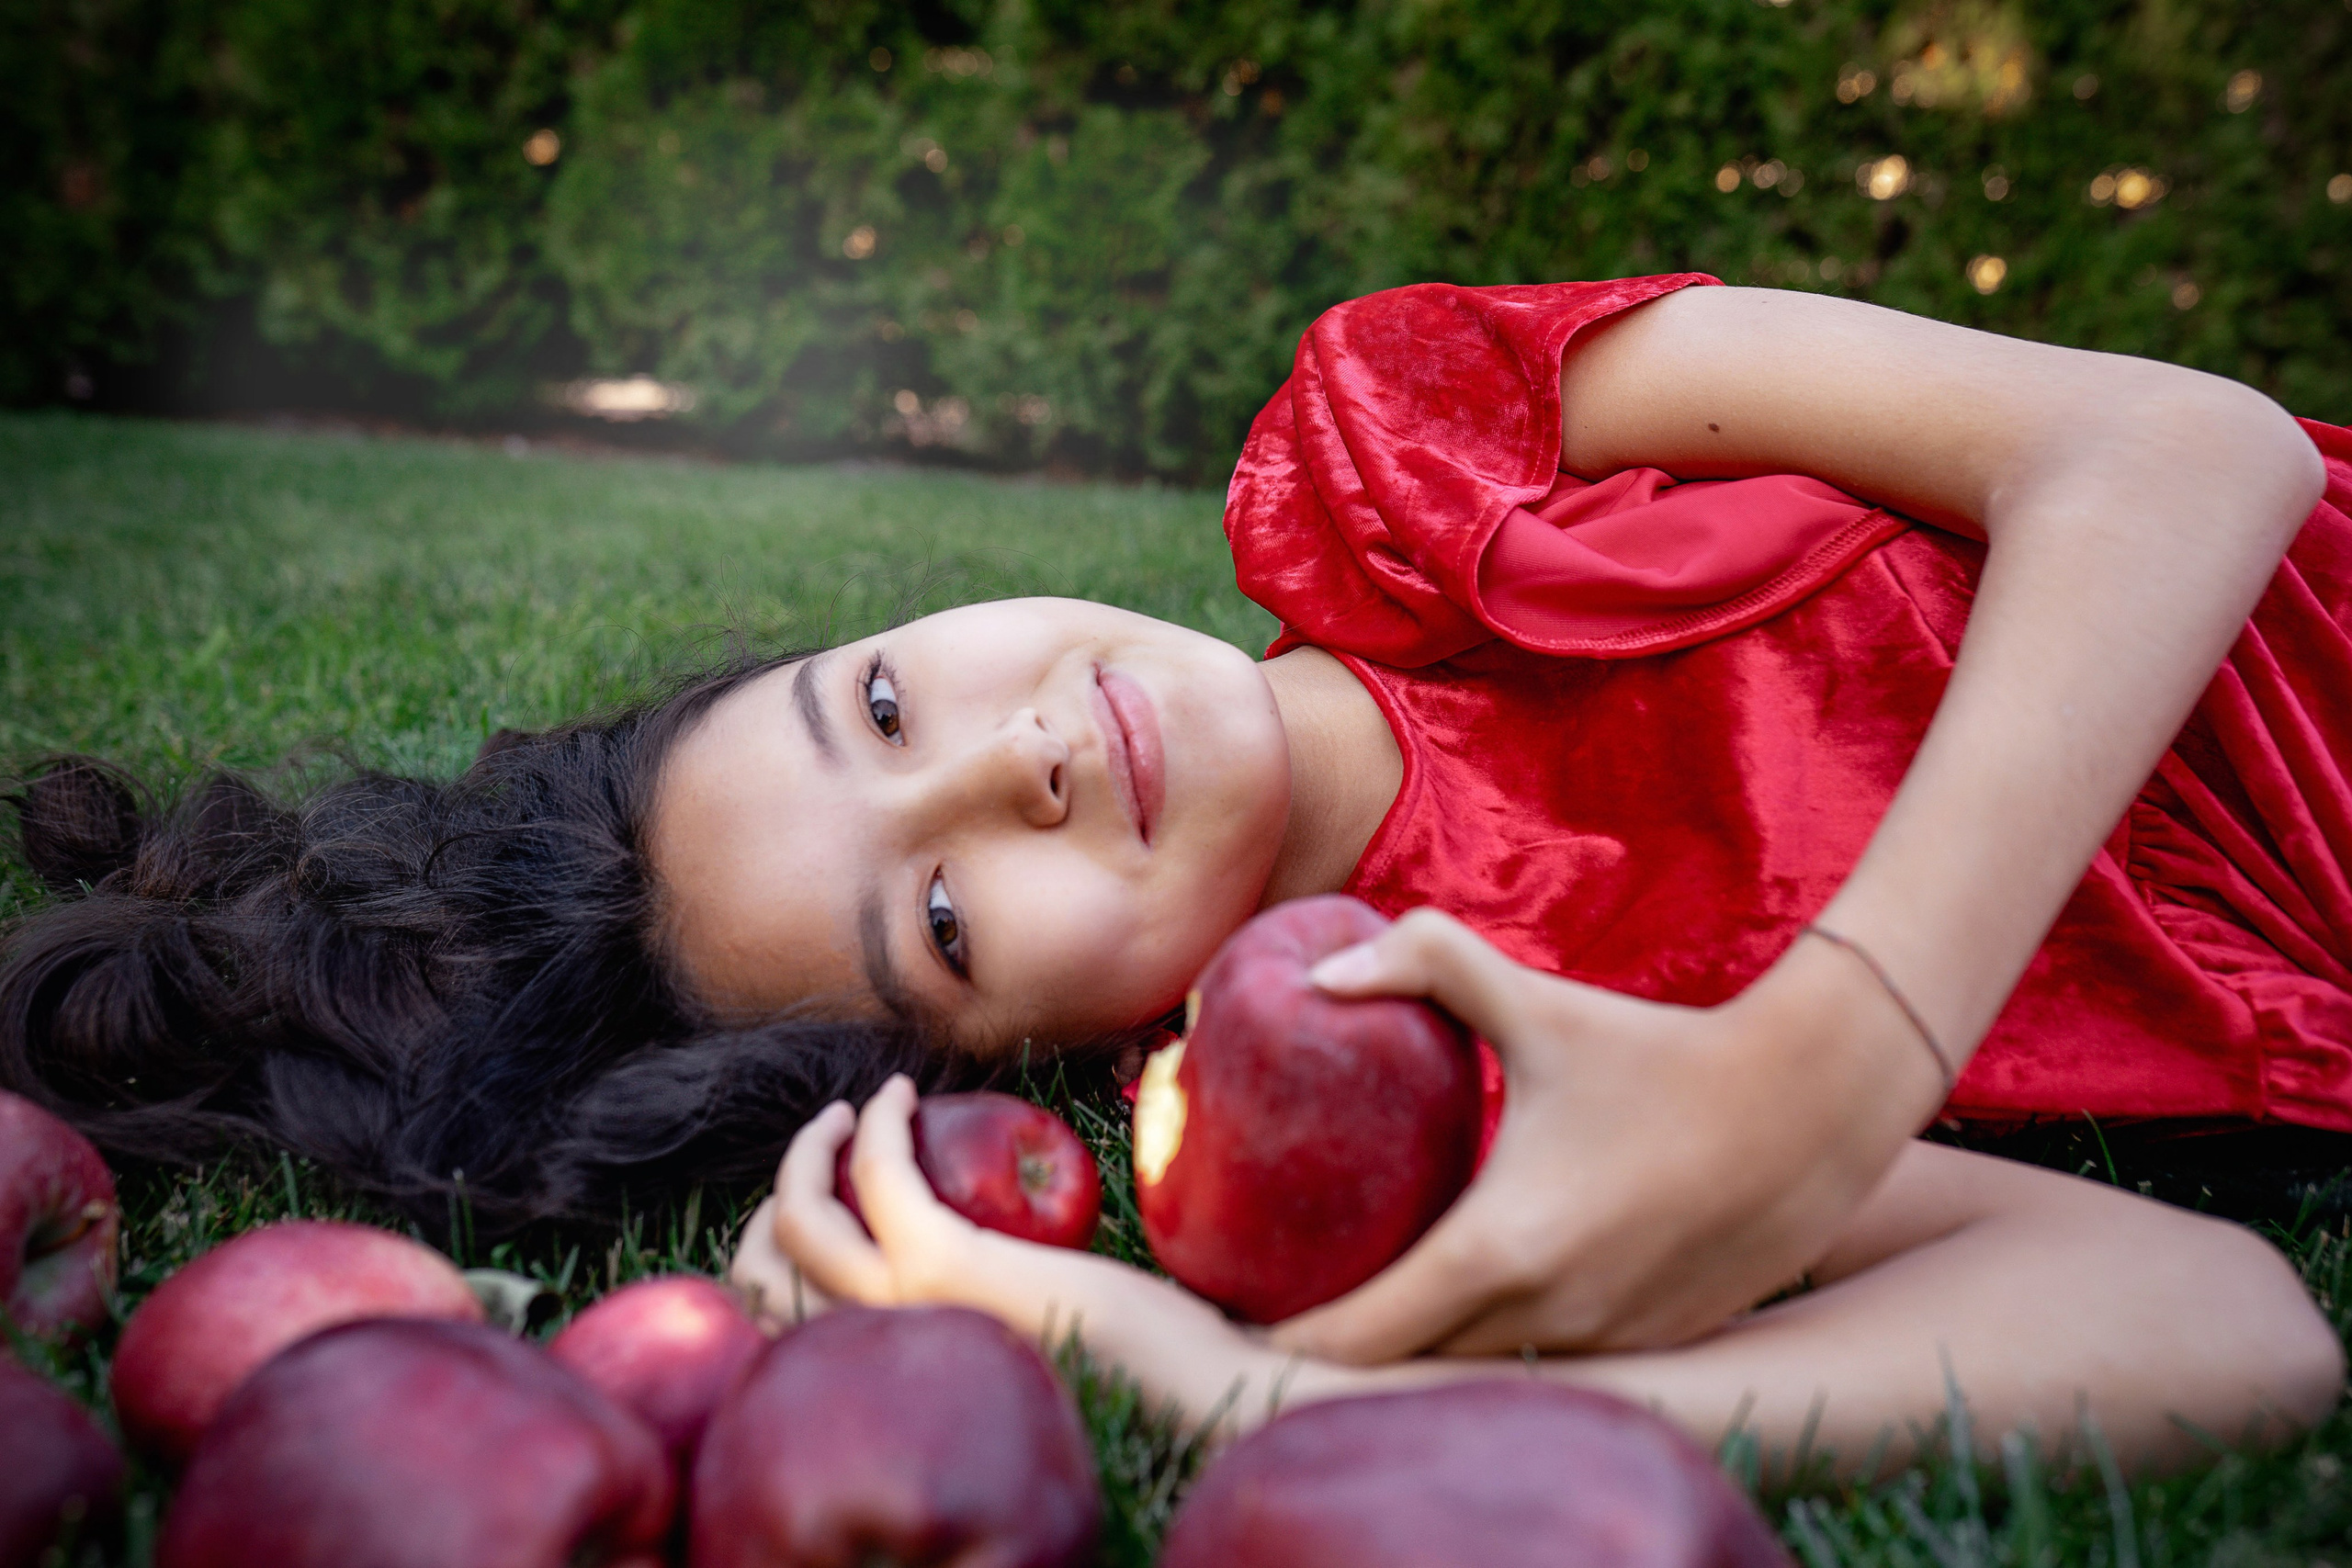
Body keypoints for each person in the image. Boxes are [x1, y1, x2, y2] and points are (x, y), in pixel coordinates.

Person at [6, 275, 2347, 1474]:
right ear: (1027, 1057)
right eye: (935, 923)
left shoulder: (1392, 441)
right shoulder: (1412, 1092)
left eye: (886, 704)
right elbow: (2237, 1325)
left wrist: (1832, 1051)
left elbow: (2173, 443)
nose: (1013, 764)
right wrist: (1266, 1405)